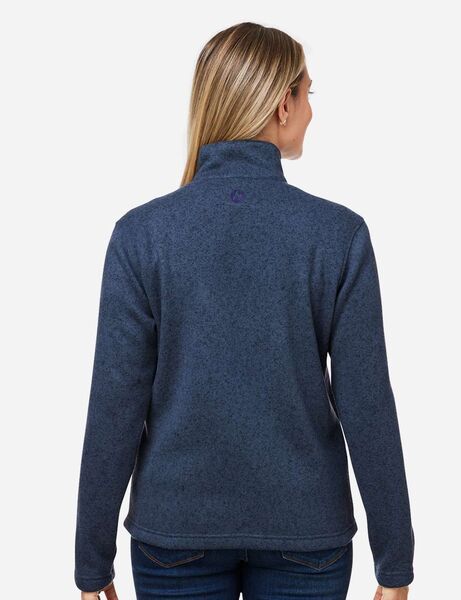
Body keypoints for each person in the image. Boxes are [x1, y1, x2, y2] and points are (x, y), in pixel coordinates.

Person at [74, 21, 415, 600]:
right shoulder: (338, 234)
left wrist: (90, 560)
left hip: (174, 533)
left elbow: (115, 404)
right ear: (282, 104)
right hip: (307, 534)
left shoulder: (141, 234)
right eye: (308, 93)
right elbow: (367, 404)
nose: (311, 110)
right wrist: (396, 561)